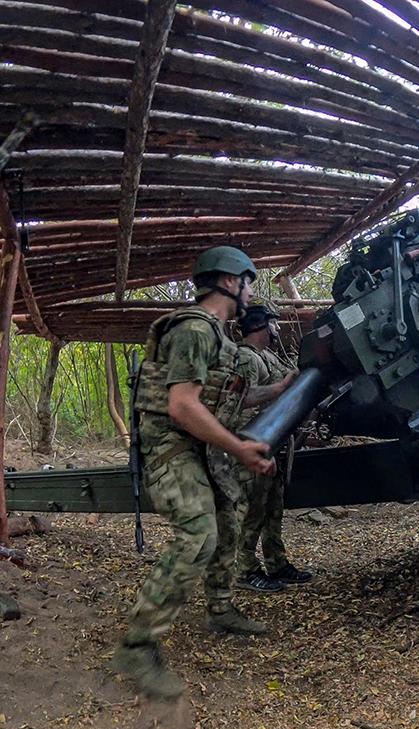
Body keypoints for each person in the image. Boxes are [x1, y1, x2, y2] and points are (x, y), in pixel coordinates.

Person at [112, 246, 291, 699]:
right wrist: (241, 449)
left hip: (201, 449)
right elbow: (182, 405)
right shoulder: (193, 329)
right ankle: (137, 644)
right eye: (249, 281)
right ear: (230, 282)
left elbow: (230, 399)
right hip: (172, 448)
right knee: (198, 533)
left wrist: (281, 387)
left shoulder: (219, 338)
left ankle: (220, 609)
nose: (252, 290)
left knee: (229, 521)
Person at [234, 299, 312, 592]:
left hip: (273, 445)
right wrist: (279, 388)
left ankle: (276, 563)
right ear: (258, 324)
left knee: (272, 509)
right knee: (253, 510)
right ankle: (244, 570)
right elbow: (242, 398)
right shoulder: (245, 358)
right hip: (254, 446)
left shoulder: (268, 357)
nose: (277, 327)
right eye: (273, 322)